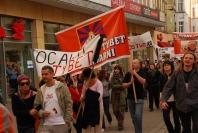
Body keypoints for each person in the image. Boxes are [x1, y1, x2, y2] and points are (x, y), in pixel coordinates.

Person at [161, 52, 198, 133]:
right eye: (186, 58)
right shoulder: (177, 73)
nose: (187, 60)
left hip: (196, 105)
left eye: (190, 58)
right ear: (183, 59)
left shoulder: (196, 73)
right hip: (182, 105)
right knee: (186, 129)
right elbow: (168, 87)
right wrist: (164, 100)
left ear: (194, 61)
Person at [34, 65, 73, 133]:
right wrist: (42, 113)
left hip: (61, 123)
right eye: (42, 74)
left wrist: (67, 120)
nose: (44, 76)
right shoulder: (41, 90)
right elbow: (36, 106)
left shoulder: (62, 87)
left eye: (46, 74)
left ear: (52, 74)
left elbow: (69, 103)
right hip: (45, 124)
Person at [122, 59, 146, 133]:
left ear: (139, 64)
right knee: (133, 117)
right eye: (132, 63)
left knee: (138, 116)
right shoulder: (128, 74)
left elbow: (143, 81)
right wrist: (130, 83)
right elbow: (123, 85)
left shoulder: (142, 72)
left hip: (139, 97)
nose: (133, 64)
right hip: (130, 98)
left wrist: (135, 74)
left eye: (135, 63)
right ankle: (137, 130)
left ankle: (138, 132)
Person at [159, 61, 181, 133]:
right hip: (166, 100)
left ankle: (177, 131)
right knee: (166, 118)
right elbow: (161, 88)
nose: (166, 66)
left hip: (175, 100)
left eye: (168, 65)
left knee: (176, 118)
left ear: (171, 67)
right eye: (165, 65)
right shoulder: (162, 76)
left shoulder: (175, 75)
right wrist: (161, 99)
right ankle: (171, 131)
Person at [80, 67, 103, 133]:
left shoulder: (98, 83)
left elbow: (99, 97)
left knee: (97, 125)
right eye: (84, 78)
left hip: (97, 107)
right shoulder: (85, 82)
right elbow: (82, 93)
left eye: (86, 77)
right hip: (87, 107)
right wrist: (82, 97)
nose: (85, 79)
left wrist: (89, 91)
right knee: (87, 125)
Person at [110, 65, 126, 131]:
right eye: (115, 69)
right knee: (115, 111)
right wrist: (119, 86)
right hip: (114, 96)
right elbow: (112, 86)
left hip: (121, 96)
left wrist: (116, 86)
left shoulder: (123, 77)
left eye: (118, 69)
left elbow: (123, 86)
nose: (116, 70)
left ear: (120, 70)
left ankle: (120, 125)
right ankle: (120, 120)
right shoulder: (112, 77)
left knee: (121, 111)